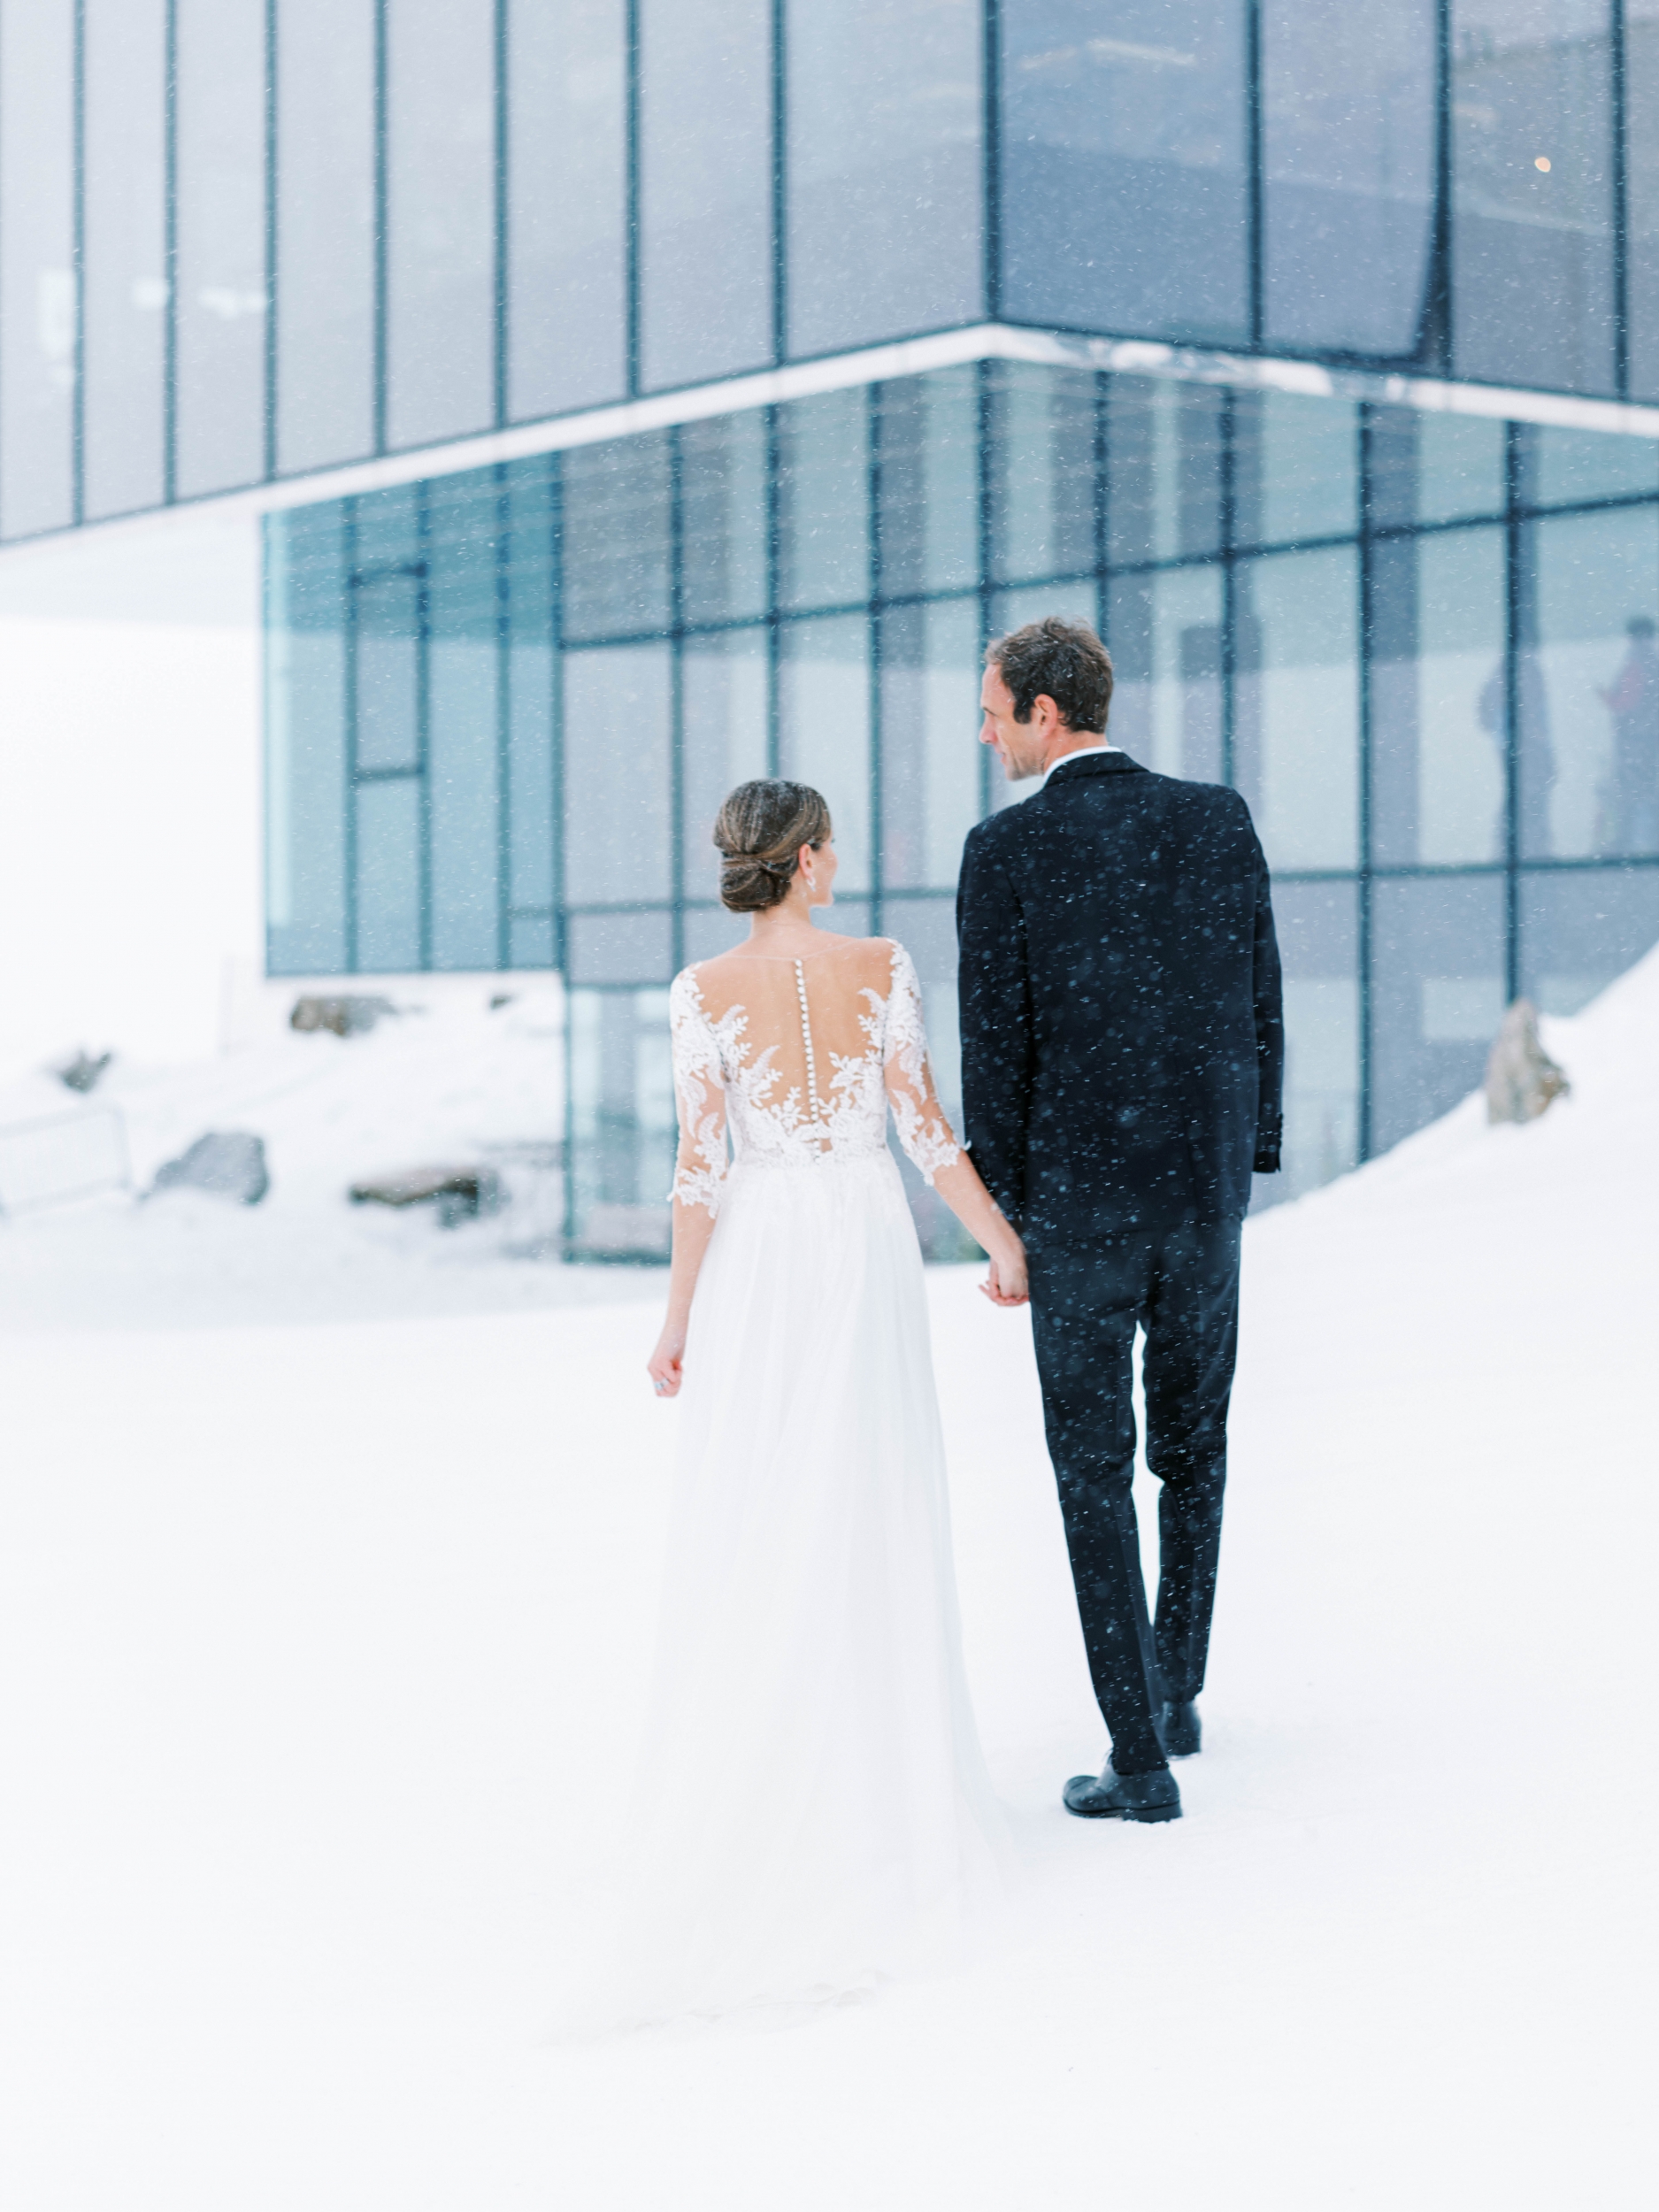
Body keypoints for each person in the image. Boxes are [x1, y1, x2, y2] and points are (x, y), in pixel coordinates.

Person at [609, 780, 1022, 2028]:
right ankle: (874, 1798)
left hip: (759, 1258)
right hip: (855, 1235)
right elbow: (922, 1131)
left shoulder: (698, 991)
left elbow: (700, 1168)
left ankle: (767, 1783)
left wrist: (679, 1317)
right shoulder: (882, 963)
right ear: (798, 862)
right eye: (827, 845)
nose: (839, 860)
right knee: (871, 1493)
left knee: (765, 1503)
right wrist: (1000, 1245)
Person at [956, 617, 1284, 1825]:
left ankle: (1136, 1755)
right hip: (1201, 1201)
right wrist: (1241, 1155)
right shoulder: (1215, 818)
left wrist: (1003, 1218)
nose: (982, 732)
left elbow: (993, 1055)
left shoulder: (1004, 851)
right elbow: (1258, 994)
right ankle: (1176, 1690)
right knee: (1191, 1450)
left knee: (1089, 1473)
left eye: (991, 710)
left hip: (1078, 1209)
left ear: (1045, 714)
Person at [1596, 615, 1659, 855]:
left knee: (1631, 791)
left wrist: (1605, 696)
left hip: (1635, 741)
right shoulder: (1652, 661)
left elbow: (1625, 702)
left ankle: (1625, 843)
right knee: (1649, 790)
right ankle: (1648, 841)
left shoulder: (1637, 663)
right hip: (1650, 740)